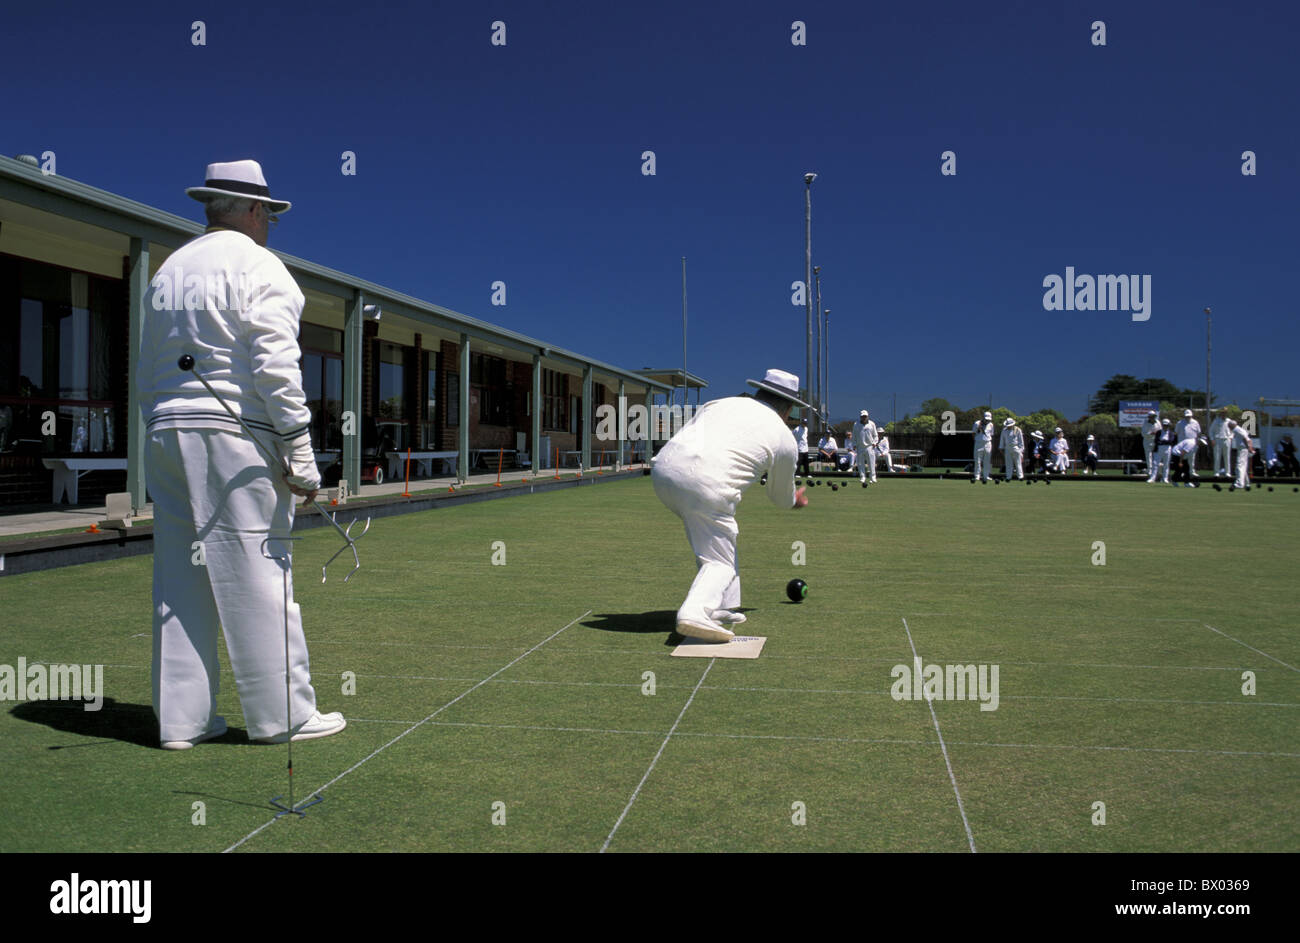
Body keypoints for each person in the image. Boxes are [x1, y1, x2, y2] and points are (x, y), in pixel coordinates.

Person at [138, 160, 345, 749]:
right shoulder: (262, 266)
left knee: (180, 579)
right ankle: (284, 716)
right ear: (255, 212)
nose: (270, 224)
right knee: (259, 571)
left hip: (167, 431)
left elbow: (145, 369)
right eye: (269, 215)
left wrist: (158, 425)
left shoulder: (167, 271)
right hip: (235, 435)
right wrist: (301, 455)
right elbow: (277, 367)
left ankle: (183, 723)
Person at [652, 368, 808, 642]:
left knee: (719, 541)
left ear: (760, 391)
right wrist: (796, 500)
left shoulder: (721, 403)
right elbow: (780, 498)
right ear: (789, 408)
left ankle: (722, 607)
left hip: (663, 471)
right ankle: (695, 612)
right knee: (719, 562)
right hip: (706, 484)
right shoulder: (784, 437)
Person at [1227, 419, 1255, 490]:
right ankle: (1247, 483)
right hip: (1242, 449)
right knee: (1243, 466)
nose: (1228, 427)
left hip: (1243, 449)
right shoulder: (1237, 430)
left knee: (1239, 466)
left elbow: (1246, 439)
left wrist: (1249, 448)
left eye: (1229, 425)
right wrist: (1250, 448)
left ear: (1232, 425)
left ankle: (1240, 484)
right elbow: (1248, 439)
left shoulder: (1237, 430)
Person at [853, 409, 880, 484]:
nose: (864, 418)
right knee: (860, 463)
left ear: (867, 416)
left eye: (865, 416)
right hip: (860, 446)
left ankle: (873, 477)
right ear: (860, 417)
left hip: (869, 446)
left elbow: (875, 435)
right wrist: (854, 444)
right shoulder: (856, 424)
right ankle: (862, 477)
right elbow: (854, 436)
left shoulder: (872, 424)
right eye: (862, 416)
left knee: (871, 463)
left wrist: (875, 442)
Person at [1175, 409, 1202, 477]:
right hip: (1183, 444)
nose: (1188, 417)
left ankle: (1191, 471)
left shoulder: (1195, 423)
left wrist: (1197, 442)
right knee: (1183, 459)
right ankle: (1182, 472)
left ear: (1191, 415)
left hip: (1192, 444)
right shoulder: (1179, 423)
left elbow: (1198, 433)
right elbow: (1176, 432)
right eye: (1186, 416)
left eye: (1189, 416)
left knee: (1192, 458)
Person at [1149, 419, 1175, 483]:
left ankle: (1165, 478)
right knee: (1155, 463)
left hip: (1167, 449)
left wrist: (1162, 441)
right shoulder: (1159, 432)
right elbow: (1156, 441)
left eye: (1167, 425)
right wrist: (1164, 442)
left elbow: (1171, 441)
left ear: (1169, 426)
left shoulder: (1171, 433)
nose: (1165, 427)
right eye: (1164, 425)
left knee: (1166, 464)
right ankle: (1152, 478)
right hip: (1159, 449)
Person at [972, 411, 994, 483]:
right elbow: (973, 434)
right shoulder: (977, 423)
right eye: (986, 419)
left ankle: (985, 476)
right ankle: (977, 476)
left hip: (987, 443)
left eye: (988, 419)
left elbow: (991, 434)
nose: (987, 420)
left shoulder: (991, 425)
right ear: (983, 418)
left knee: (987, 460)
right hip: (978, 443)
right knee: (977, 460)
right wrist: (977, 440)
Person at [1209, 410, 1232, 477]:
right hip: (1218, 440)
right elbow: (1211, 431)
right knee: (1217, 457)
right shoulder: (1216, 421)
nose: (1224, 414)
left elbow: (1232, 430)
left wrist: (1231, 437)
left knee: (1227, 457)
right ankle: (1216, 472)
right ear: (1221, 413)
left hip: (1227, 440)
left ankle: (1228, 472)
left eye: (1225, 413)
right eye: (1223, 413)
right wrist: (1212, 440)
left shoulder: (1229, 421)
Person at [1140, 410, 1161, 474]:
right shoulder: (1145, 423)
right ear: (1149, 417)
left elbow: (1160, 431)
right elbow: (1143, 434)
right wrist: (1151, 433)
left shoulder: (1158, 422)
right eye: (1151, 416)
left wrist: (1157, 435)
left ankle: (1156, 470)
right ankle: (1150, 470)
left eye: (1153, 416)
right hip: (1147, 441)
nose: (1152, 418)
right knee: (1148, 456)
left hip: (1155, 441)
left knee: (1156, 456)